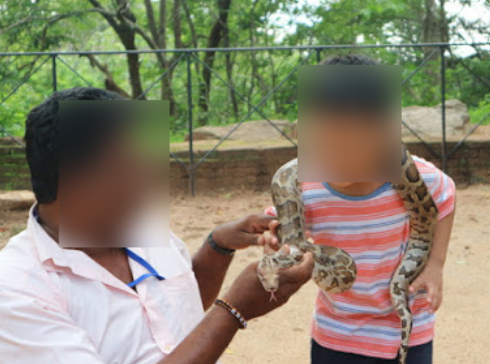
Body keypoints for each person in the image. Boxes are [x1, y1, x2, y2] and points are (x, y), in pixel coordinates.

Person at [0, 87, 314, 364]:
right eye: (127, 165)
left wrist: (218, 246)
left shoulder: (137, 226)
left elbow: (179, 308)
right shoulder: (17, 291)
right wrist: (233, 310)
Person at [267, 54, 456, 364]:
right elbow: (286, 235)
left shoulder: (421, 179)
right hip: (336, 331)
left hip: (409, 332)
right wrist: (278, 242)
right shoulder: (301, 185)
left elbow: (447, 199)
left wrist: (435, 263)